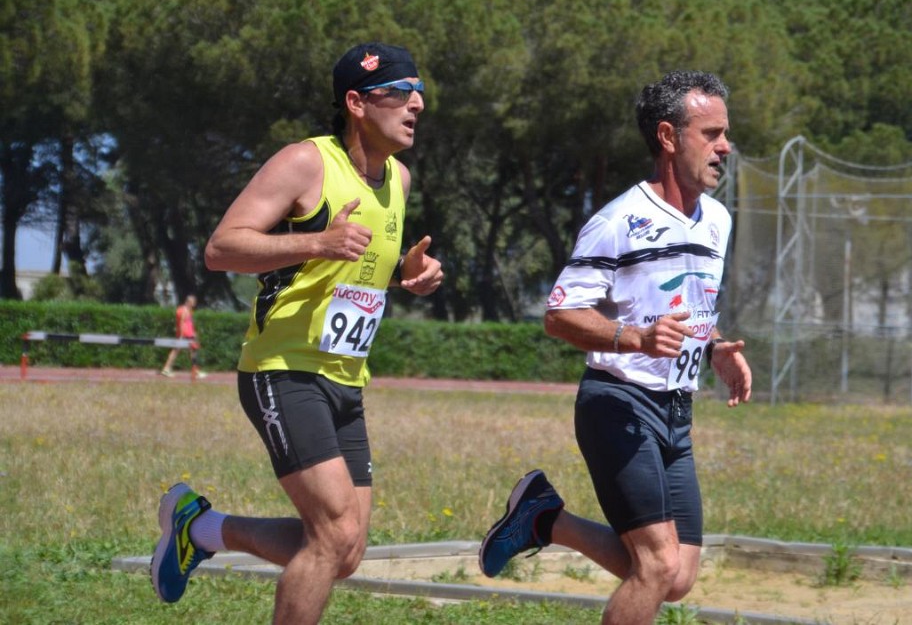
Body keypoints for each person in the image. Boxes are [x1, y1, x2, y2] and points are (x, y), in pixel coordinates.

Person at [150, 42, 443, 623]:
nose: (417, 104)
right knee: (333, 533)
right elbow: (221, 248)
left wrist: (406, 274)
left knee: (346, 551)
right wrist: (316, 241)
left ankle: (199, 528)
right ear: (356, 102)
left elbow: (356, 268)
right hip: (283, 369)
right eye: (400, 92)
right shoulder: (306, 162)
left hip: (346, 377)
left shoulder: (399, 180)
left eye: (420, 93)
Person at [478, 70, 752, 625]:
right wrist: (634, 339)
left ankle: (544, 518)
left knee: (677, 577)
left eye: (725, 133)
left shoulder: (718, 220)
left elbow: (689, 307)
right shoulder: (618, 222)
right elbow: (559, 315)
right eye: (712, 133)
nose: (725, 146)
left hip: (676, 412)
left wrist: (717, 346)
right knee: (656, 565)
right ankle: (542, 517)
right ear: (668, 137)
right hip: (618, 404)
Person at [160, 294, 206, 378]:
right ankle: (195, 372)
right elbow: (181, 323)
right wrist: (181, 336)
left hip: (188, 334)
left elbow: (188, 323)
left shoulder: (188, 310)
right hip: (185, 335)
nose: (194, 304)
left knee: (180, 351)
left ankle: (166, 369)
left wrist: (193, 332)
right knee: (188, 352)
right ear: (188, 302)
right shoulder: (183, 310)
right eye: (193, 302)